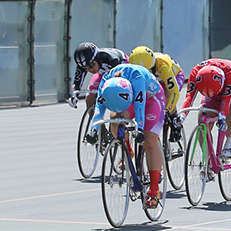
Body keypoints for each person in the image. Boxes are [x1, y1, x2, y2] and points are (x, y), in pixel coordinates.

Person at [87, 63, 167, 207]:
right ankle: (128, 149)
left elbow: (140, 105)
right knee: (115, 119)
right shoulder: (106, 81)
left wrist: (140, 129)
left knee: (149, 142)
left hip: (152, 99)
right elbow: (99, 109)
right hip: (127, 98)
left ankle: (154, 191)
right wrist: (93, 130)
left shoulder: (137, 78)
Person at [181, 58, 231, 159]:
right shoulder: (195, 72)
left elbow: (226, 99)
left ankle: (230, 143)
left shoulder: (230, 72)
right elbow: (189, 97)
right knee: (203, 112)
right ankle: (208, 158)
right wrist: (182, 116)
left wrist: (222, 115)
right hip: (211, 92)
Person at [128, 46, 185, 138]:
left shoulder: (163, 66)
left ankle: (175, 124)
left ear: (152, 67)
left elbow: (174, 92)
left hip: (175, 75)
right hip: (156, 79)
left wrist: (168, 109)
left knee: (167, 98)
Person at [68, 42, 128, 109]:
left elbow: (118, 79)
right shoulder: (84, 64)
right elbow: (76, 84)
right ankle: (93, 118)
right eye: (85, 68)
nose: (89, 70)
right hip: (102, 72)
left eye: (91, 65)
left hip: (121, 68)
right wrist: (74, 96)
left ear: (97, 58)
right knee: (90, 97)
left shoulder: (111, 59)